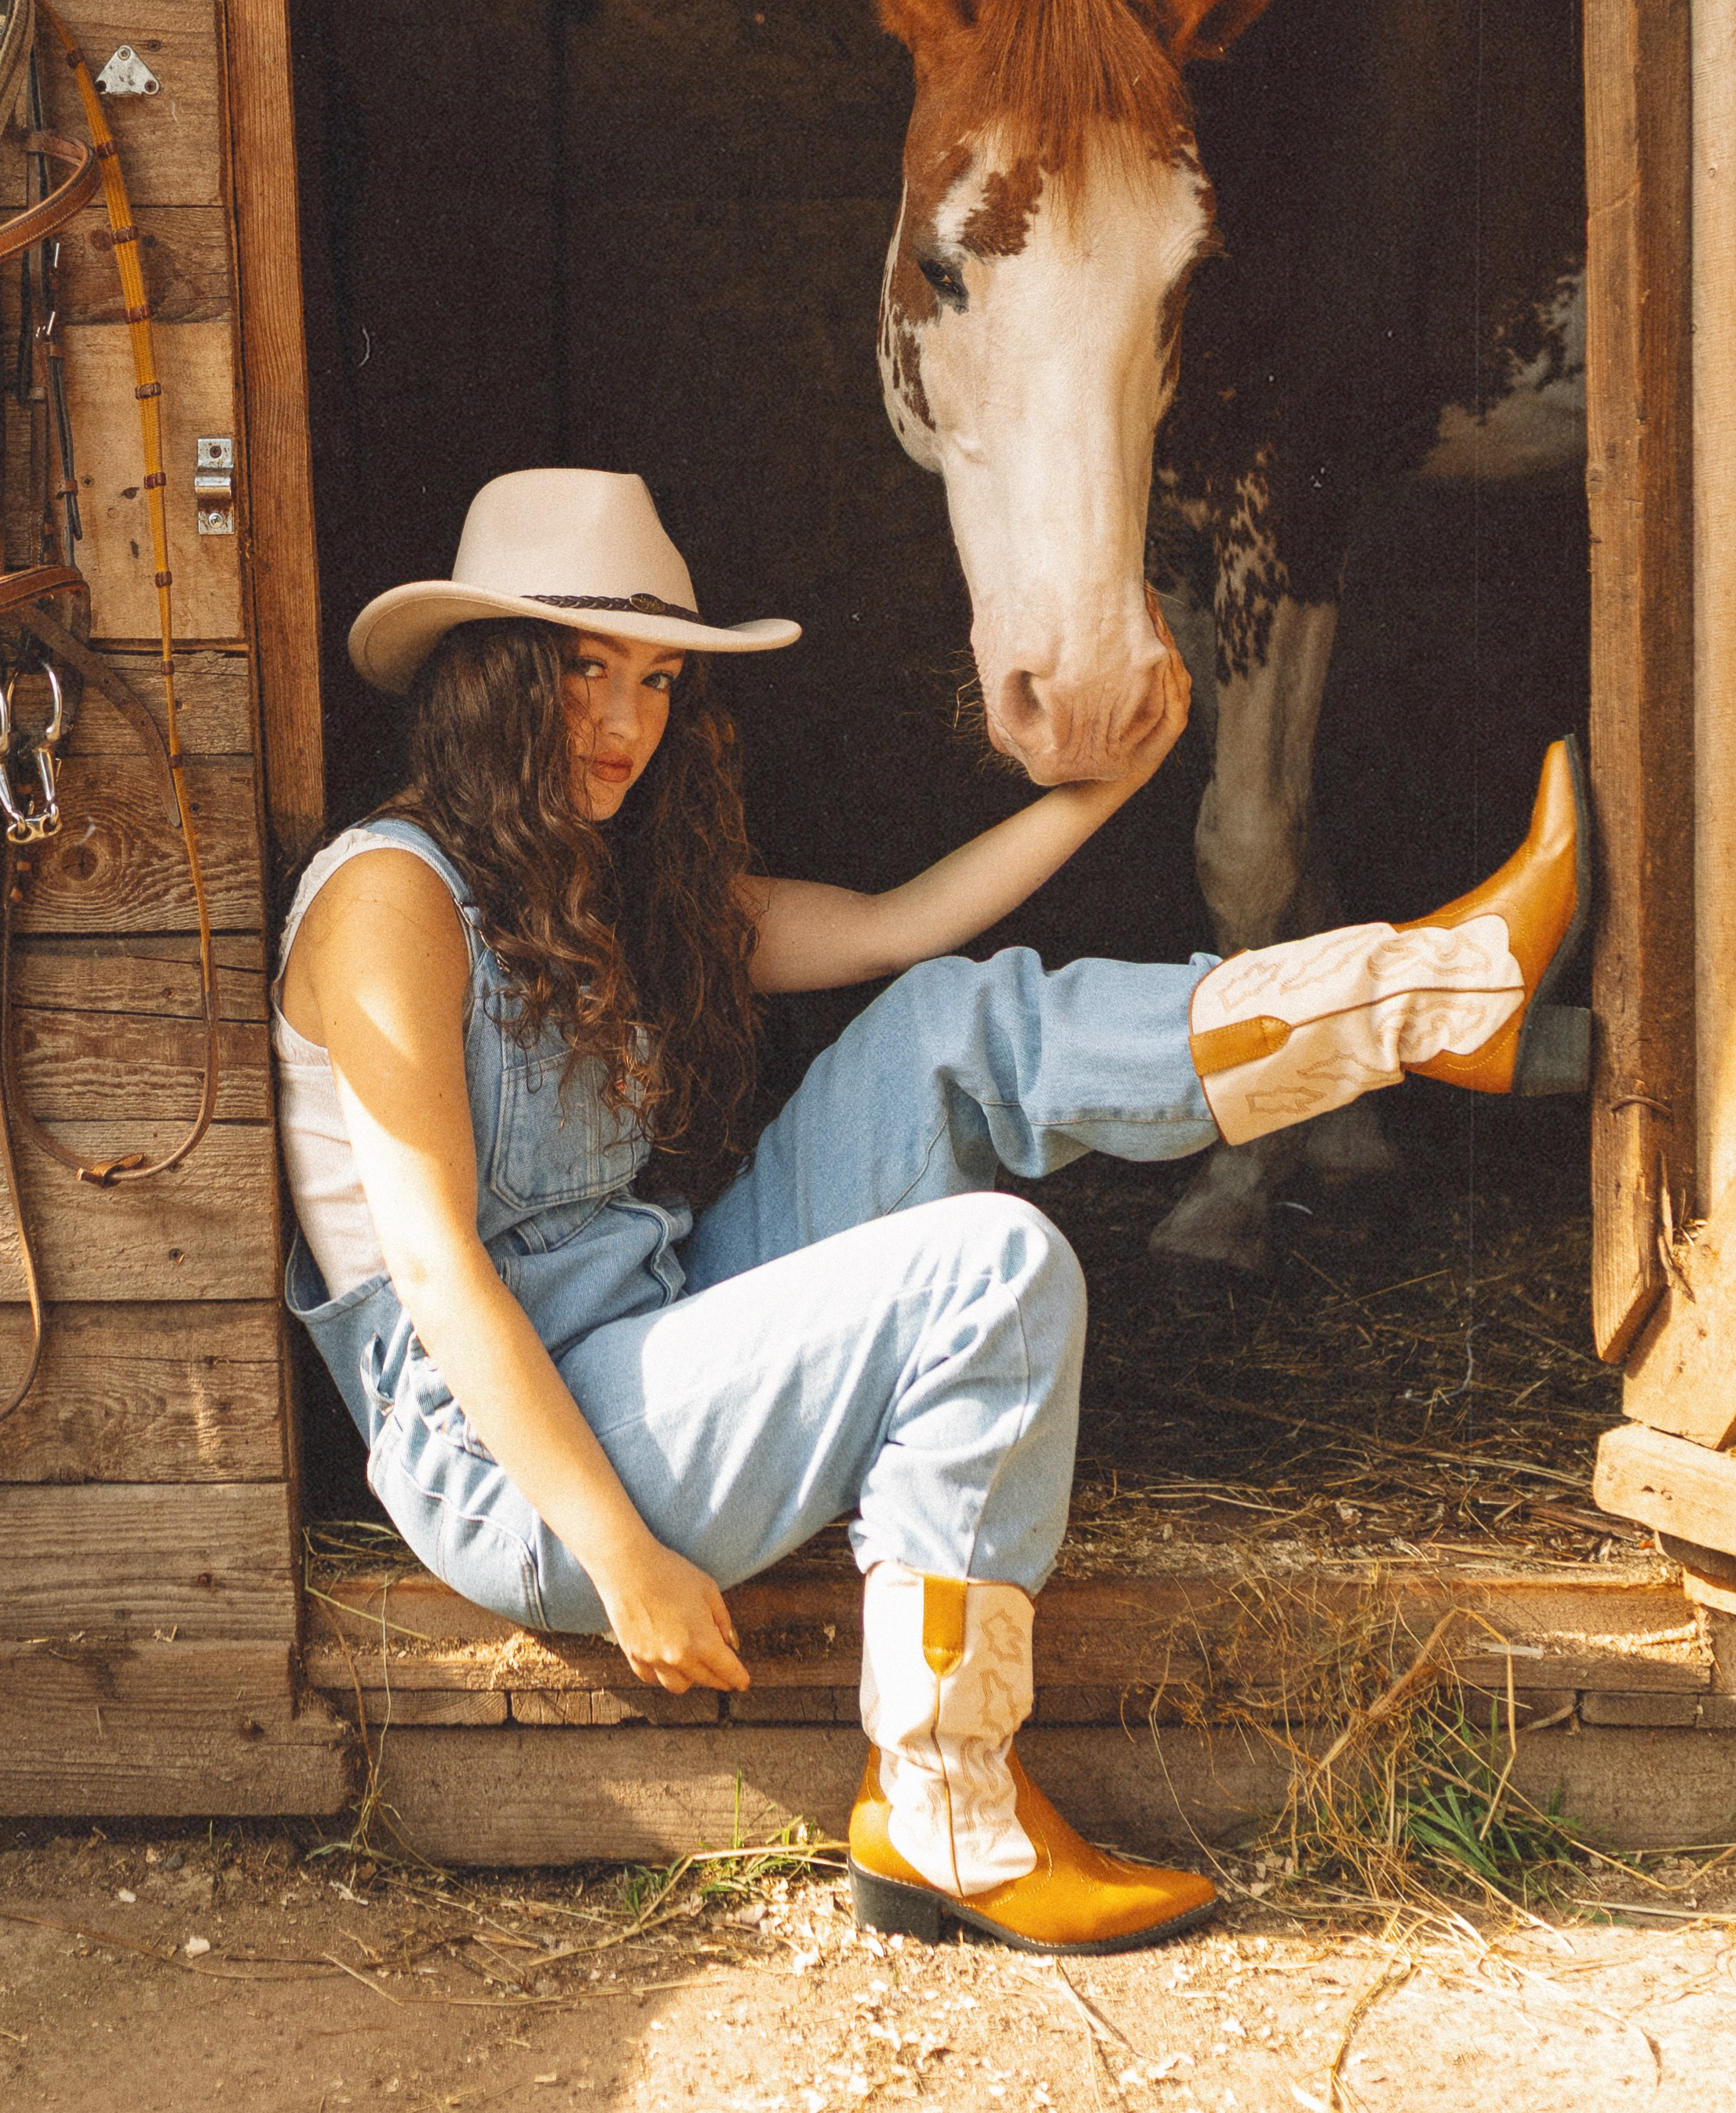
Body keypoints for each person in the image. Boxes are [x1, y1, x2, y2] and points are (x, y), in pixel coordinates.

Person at [275, 468, 1587, 1955]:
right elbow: (440, 1272)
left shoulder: (588, 883)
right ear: (487, 680)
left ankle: (1428, 998)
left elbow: (904, 925)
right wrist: (622, 1554)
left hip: (647, 1343)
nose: (629, 724)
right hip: (513, 1465)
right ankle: (945, 1803)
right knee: (993, 1270)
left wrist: (1114, 784)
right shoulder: (389, 896)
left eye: (653, 678)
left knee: (945, 1022)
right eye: (583, 669)